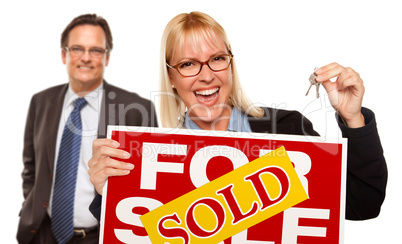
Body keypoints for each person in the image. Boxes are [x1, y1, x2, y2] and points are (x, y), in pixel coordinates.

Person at [88, 11, 387, 223]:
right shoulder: (150, 156)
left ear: (230, 65)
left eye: (217, 59)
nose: (207, 76)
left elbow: (363, 204)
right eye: (189, 63)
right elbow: (137, 232)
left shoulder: (287, 130)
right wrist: (108, 192)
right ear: (172, 77)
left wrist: (353, 118)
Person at [17, 14, 157, 244]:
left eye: (95, 50)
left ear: (107, 57)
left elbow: (148, 185)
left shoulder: (136, 109)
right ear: (64, 54)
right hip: (43, 234)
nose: (85, 58)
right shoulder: (40, 102)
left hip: (101, 235)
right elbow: (30, 168)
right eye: (77, 49)